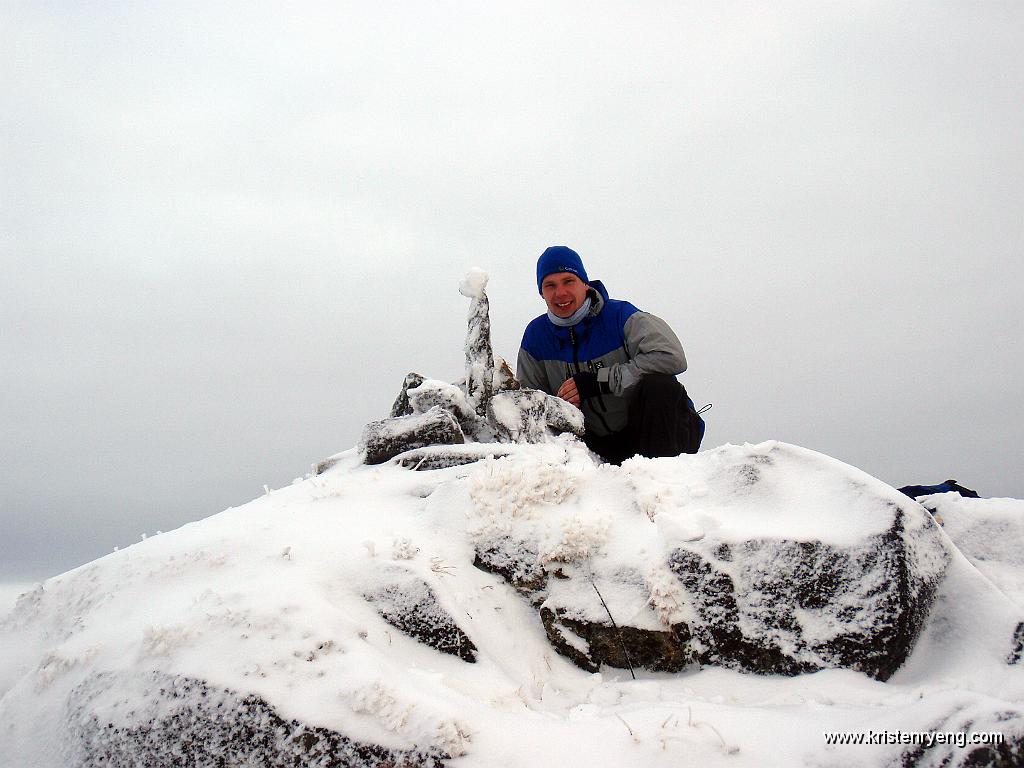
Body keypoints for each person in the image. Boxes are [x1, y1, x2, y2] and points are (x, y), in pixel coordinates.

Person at [516, 245, 704, 464]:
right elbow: (529, 398)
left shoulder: (620, 316)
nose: (560, 293)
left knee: (660, 386)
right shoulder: (536, 336)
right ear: (541, 292)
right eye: (550, 285)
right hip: (596, 446)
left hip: (657, 432)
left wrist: (598, 382)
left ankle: (662, 483)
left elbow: (671, 357)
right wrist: (561, 407)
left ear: (584, 283)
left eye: (569, 281)